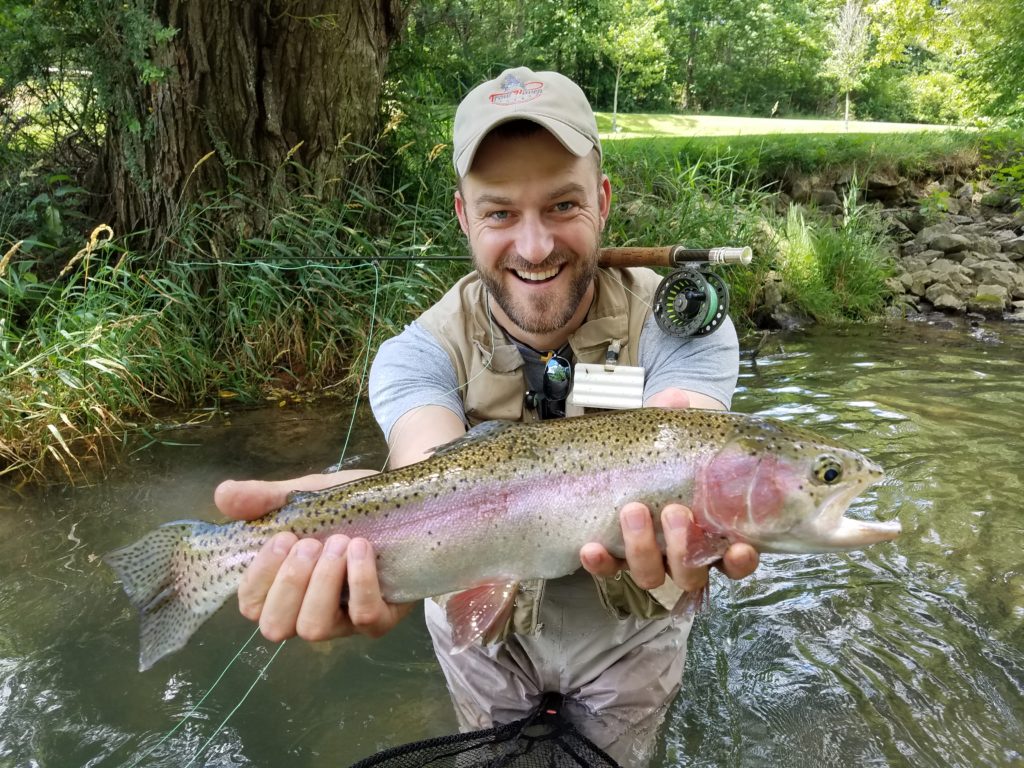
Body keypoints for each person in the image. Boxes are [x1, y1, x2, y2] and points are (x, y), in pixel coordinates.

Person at [214, 66, 759, 767]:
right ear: (463, 217)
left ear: (603, 200)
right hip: (482, 639)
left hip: (630, 638)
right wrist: (356, 525)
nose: (535, 248)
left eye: (563, 206)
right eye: (501, 213)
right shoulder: (416, 354)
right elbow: (424, 472)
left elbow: (700, 457)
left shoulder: (678, 326)